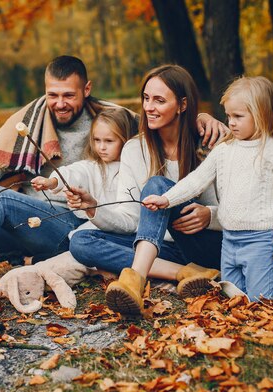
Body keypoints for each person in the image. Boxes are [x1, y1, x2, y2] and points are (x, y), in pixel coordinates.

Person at [0, 56, 226, 263]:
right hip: (29, 220)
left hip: (70, 219)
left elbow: (160, 122)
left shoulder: (110, 119)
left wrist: (200, 120)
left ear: (86, 89)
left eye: (69, 95)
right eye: (53, 95)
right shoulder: (27, 120)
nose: (60, 103)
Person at [67, 64, 227, 316]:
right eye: (146, 98)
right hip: (162, 249)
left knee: (156, 185)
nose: (149, 107)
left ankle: (135, 280)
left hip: (206, 242)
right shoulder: (134, 149)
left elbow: (241, 209)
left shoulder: (209, 143)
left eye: (159, 100)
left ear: (182, 105)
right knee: (81, 241)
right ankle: (186, 273)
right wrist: (93, 207)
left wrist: (210, 215)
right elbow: (130, 219)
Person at [143, 76, 273, 302]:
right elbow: (196, 180)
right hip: (230, 240)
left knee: (260, 297)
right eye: (228, 116)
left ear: (261, 115)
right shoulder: (224, 149)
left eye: (238, 116)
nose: (231, 122)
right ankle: (272, 274)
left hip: (259, 240)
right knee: (231, 294)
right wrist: (166, 200)